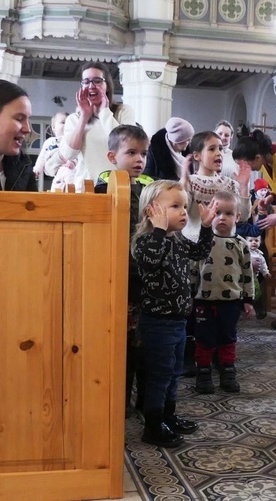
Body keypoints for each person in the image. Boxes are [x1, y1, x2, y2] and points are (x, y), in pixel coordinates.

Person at [131, 180, 217, 448]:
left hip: (178, 321)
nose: (183, 212)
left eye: (184, 206)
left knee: (173, 372)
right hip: (157, 323)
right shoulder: (146, 241)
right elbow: (150, 260)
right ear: (152, 211)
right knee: (160, 375)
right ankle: (153, 426)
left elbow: (200, 251)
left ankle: (168, 416)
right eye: (175, 206)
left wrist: (205, 227)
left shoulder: (177, 238)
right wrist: (157, 230)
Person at [94, 125, 154, 417]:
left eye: (143, 153)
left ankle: (146, 399)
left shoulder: (148, 189)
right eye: (131, 152)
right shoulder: (103, 188)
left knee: (145, 344)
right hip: (119, 275)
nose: (139, 159)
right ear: (112, 156)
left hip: (147, 276)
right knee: (122, 344)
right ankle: (119, 401)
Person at [232, 130, 276, 330]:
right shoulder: (266, 161)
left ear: (258, 157)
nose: (244, 167)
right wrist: (272, 197)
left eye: (245, 163)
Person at [192, 191, 255, 394]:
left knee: (228, 337)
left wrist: (248, 299)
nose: (222, 217)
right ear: (211, 213)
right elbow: (194, 270)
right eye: (217, 212)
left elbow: (247, 273)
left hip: (230, 301)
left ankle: (227, 371)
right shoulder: (202, 243)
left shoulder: (241, 245)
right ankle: (203, 372)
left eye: (228, 213)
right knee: (204, 338)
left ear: (236, 217)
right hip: (203, 300)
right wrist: (189, 295)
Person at [64, 62, 136, 182]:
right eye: (86, 82)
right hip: (86, 187)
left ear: (107, 85)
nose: (91, 86)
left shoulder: (123, 111)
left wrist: (104, 112)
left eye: (97, 80)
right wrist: (84, 117)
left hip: (120, 186)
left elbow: (127, 144)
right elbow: (69, 154)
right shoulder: (74, 119)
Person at [181, 131, 251, 242]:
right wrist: (184, 183)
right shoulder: (191, 182)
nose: (219, 153)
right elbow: (183, 209)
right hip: (195, 244)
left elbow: (243, 216)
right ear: (197, 156)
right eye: (212, 149)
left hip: (225, 244)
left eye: (220, 149)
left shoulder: (230, 184)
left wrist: (244, 187)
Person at [34, 111, 77, 190]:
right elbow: (42, 157)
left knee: (71, 188)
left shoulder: (72, 141)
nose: (66, 125)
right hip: (56, 174)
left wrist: (73, 161)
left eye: (68, 123)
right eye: (63, 122)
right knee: (55, 190)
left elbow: (77, 154)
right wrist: (37, 168)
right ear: (53, 127)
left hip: (69, 170)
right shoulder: (49, 142)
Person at [245, 234, 270, 319]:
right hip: (243, 278)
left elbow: (263, 265)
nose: (254, 243)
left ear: (260, 242)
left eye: (256, 241)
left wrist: (266, 272)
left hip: (254, 278)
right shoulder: (245, 252)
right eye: (251, 241)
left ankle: (258, 310)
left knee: (257, 293)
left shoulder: (260, 255)